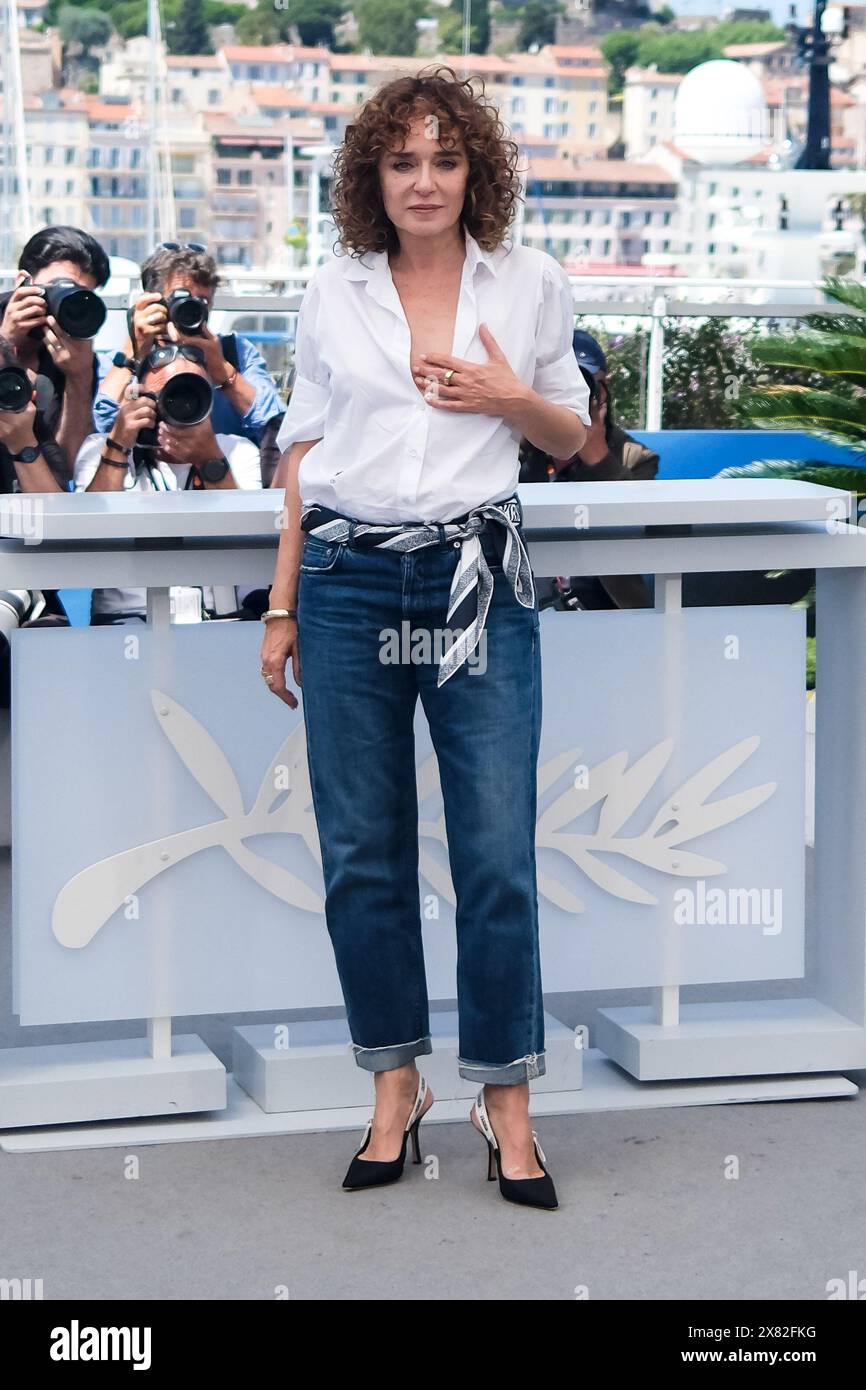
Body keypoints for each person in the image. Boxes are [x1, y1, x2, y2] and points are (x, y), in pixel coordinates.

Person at [260, 66, 590, 1209]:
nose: (424, 180)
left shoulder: (530, 280)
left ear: (474, 171)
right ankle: (392, 1088)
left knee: (496, 851)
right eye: (402, 160)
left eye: (444, 159)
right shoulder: (335, 289)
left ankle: (506, 1102)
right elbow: (300, 455)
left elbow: (573, 437)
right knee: (363, 851)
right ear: (372, 176)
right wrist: (283, 602)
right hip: (349, 580)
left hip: (478, 582)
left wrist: (505, 396)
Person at [74, 342, 261, 625]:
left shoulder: (236, 452)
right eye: (169, 396)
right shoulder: (102, 449)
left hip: (219, 618)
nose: (181, 406)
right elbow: (86, 536)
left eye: (192, 393)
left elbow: (249, 539)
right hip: (128, 619)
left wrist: (210, 459)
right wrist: (119, 444)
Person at [95, 243, 285, 484]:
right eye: (181, 299)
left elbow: (275, 426)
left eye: (202, 302)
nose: (191, 309)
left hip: (226, 477)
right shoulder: (128, 357)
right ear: (152, 300)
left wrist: (222, 370)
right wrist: (133, 351)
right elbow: (104, 426)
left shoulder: (233, 352)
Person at [520, 330, 659, 610]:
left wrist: (594, 450)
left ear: (604, 392)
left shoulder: (634, 457)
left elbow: (637, 525)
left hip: (608, 610)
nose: (577, 397)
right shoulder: (515, 451)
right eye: (565, 387)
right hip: (527, 606)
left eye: (586, 386)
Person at [0, 225, 109, 484]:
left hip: (37, 506)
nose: (67, 300)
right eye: (58, 287)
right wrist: (5, 340)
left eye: (81, 294)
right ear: (24, 283)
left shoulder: (75, 351)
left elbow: (69, 465)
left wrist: (79, 378)